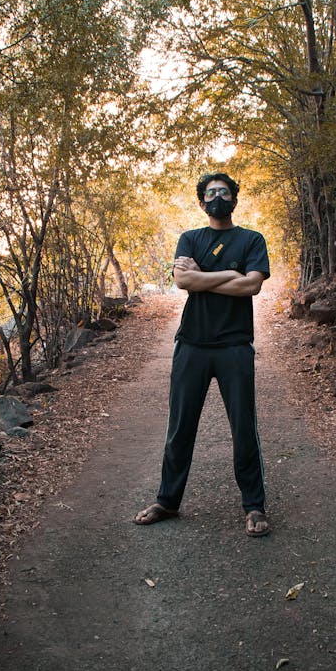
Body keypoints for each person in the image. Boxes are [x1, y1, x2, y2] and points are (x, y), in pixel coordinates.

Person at [134, 172, 271, 537]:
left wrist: (207, 276)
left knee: (244, 427)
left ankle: (254, 506)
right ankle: (167, 500)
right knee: (180, 425)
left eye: (224, 192)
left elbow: (253, 285)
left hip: (235, 346)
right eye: (210, 193)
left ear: (234, 199)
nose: (217, 197)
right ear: (201, 202)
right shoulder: (190, 238)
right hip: (192, 345)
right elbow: (183, 282)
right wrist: (230, 274)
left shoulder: (251, 239)